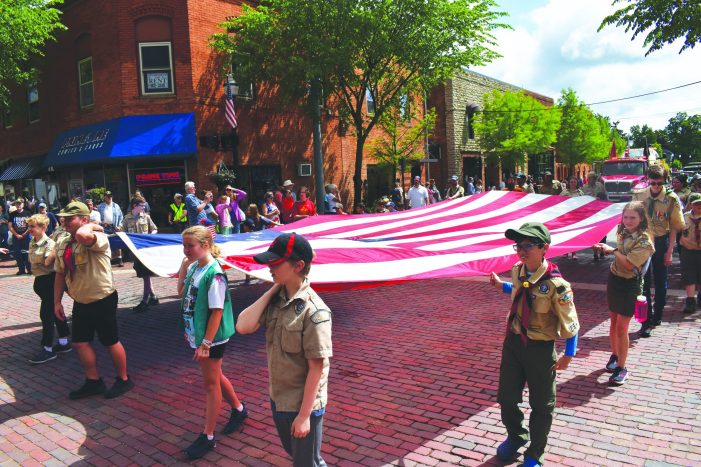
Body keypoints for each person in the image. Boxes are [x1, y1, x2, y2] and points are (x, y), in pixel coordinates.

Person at [236, 233, 332, 467]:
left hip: (302, 404)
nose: (270, 267)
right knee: (303, 457)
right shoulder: (277, 300)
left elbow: (316, 368)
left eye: (276, 263)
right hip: (279, 398)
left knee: (305, 463)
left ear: (298, 265)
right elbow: (243, 326)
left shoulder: (315, 311)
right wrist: (274, 287)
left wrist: (304, 416)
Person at [488, 222, 579, 467]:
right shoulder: (518, 270)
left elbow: (571, 323)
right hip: (514, 344)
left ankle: (535, 453)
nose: (521, 251)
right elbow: (520, 290)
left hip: (540, 349)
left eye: (528, 245)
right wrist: (501, 286)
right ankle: (516, 436)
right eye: (518, 245)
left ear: (544, 248)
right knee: (506, 398)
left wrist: (568, 354)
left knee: (541, 405)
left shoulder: (557, 286)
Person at [177, 226, 248, 459]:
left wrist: (206, 343)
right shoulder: (195, 267)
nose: (186, 250)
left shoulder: (214, 272)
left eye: (190, 246)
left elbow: (217, 311)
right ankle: (238, 409)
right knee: (215, 376)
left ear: (205, 245)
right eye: (184, 245)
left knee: (210, 384)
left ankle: (207, 435)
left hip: (212, 336)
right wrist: (183, 267)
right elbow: (181, 293)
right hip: (200, 334)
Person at [54, 201, 134, 399]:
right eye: (63, 218)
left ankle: (123, 379)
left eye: (69, 218)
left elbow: (83, 235)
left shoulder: (97, 237)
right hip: (81, 299)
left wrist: (91, 225)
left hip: (102, 297)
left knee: (110, 341)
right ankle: (93, 381)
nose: (64, 222)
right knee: (80, 342)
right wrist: (56, 301)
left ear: (83, 219)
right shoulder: (64, 243)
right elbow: (60, 273)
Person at [593, 201, 654, 385]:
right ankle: (614, 355)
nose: (628, 220)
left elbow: (629, 264)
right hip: (615, 279)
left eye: (633, 217)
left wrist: (612, 250)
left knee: (622, 327)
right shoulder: (622, 231)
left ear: (641, 218)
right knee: (613, 322)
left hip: (630, 284)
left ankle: (622, 367)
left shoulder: (644, 241)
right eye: (625, 217)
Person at [633, 164, 684, 337]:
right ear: (648, 179)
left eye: (659, 183)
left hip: (661, 242)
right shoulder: (639, 195)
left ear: (664, 181)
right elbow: (631, 220)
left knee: (661, 281)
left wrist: (670, 251)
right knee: (643, 283)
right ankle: (645, 321)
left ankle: (658, 314)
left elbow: (675, 226)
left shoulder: (671, 199)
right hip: (642, 243)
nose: (655, 186)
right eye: (652, 182)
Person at [27, 214, 72, 364]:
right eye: (29, 226)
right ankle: (64, 342)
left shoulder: (50, 244)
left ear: (43, 227)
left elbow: (47, 262)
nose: (30, 229)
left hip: (49, 281)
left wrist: (40, 260)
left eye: (33, 226)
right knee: (56, 311)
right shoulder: (32, 243)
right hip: (40, 281)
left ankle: (47, 349)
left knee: (46, 315)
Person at [123, 195, 159, 312]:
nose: (144, 207)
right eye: (142, 205)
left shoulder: (146, 217)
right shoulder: (126, 219)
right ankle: (153, 297)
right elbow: (123, 232)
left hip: (145, 250)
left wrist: (150, 236)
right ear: (135, 206)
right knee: (144, 274)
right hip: (135, 251)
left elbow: (154, 229)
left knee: (146, 275)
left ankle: (145, 301)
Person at [679, 193, 701, 313]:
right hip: (688, 251)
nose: (699, 206)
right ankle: (690, 301)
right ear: (691, 205)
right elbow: (678, 232)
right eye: (696, 203)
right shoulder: (684, 217)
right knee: (689, 276)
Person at [97, 191, 125, 267]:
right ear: (104, 197)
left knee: (117, 243)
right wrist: (101, 224)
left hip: (114, 227)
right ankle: (108, 260)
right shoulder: (100, 207)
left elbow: (121, 217)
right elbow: (97, 217)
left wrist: (119, 225)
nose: (109, 197)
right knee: (106, 244)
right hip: (105, 227)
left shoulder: (116, 206)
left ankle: (120, 260)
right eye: (108, 196)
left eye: (111, 196)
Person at [9, 198, 32, 275]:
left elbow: (30, 225)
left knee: (27, 253)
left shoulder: (28, 213)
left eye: (20, 203)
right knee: (17, 253)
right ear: (15, 205)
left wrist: (25, 234)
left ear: (23, 204)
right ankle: (21, 269)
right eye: (17, 204)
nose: (18, 205)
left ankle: (29, 269)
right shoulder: (12, 214)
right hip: (16, 237)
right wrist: (16, 235)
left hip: (26, 236)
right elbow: (10, 226)